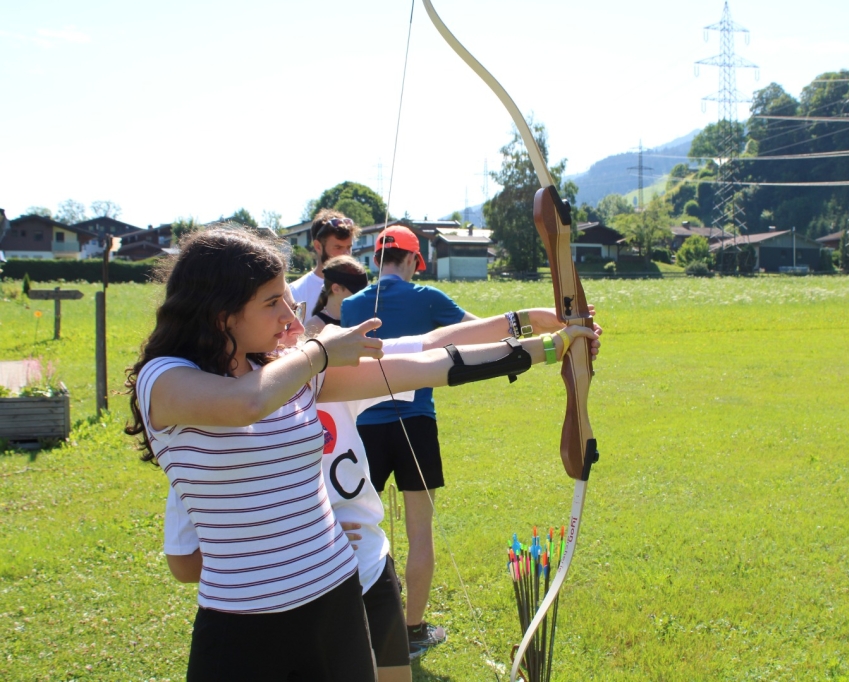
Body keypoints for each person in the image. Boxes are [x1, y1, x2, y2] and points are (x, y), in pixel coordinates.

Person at [140, 228, 598, 680]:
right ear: (222, 312)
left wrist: (547, 346)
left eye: (287, 299)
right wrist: (317, 352)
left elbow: (429, 363)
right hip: (240, 624)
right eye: (271, 302)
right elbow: (245, 404)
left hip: (335, 599)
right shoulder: (163, 378)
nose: (292, 319)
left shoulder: (290, 369)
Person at [341, 225, 476, 654]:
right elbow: (482, 331)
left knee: (357, 528)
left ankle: (357, 626)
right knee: (420, 533)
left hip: (364, 430)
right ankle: (412, 630)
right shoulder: (428, 297)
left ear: (377, 261)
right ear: (415, 261)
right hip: (416, 424)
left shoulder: (351, 306)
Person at [290, 210, 359, 323]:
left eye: (348, 247)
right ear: (318, 246)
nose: (346, 254)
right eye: (338, 247)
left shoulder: (362, 289)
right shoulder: (296, 292)